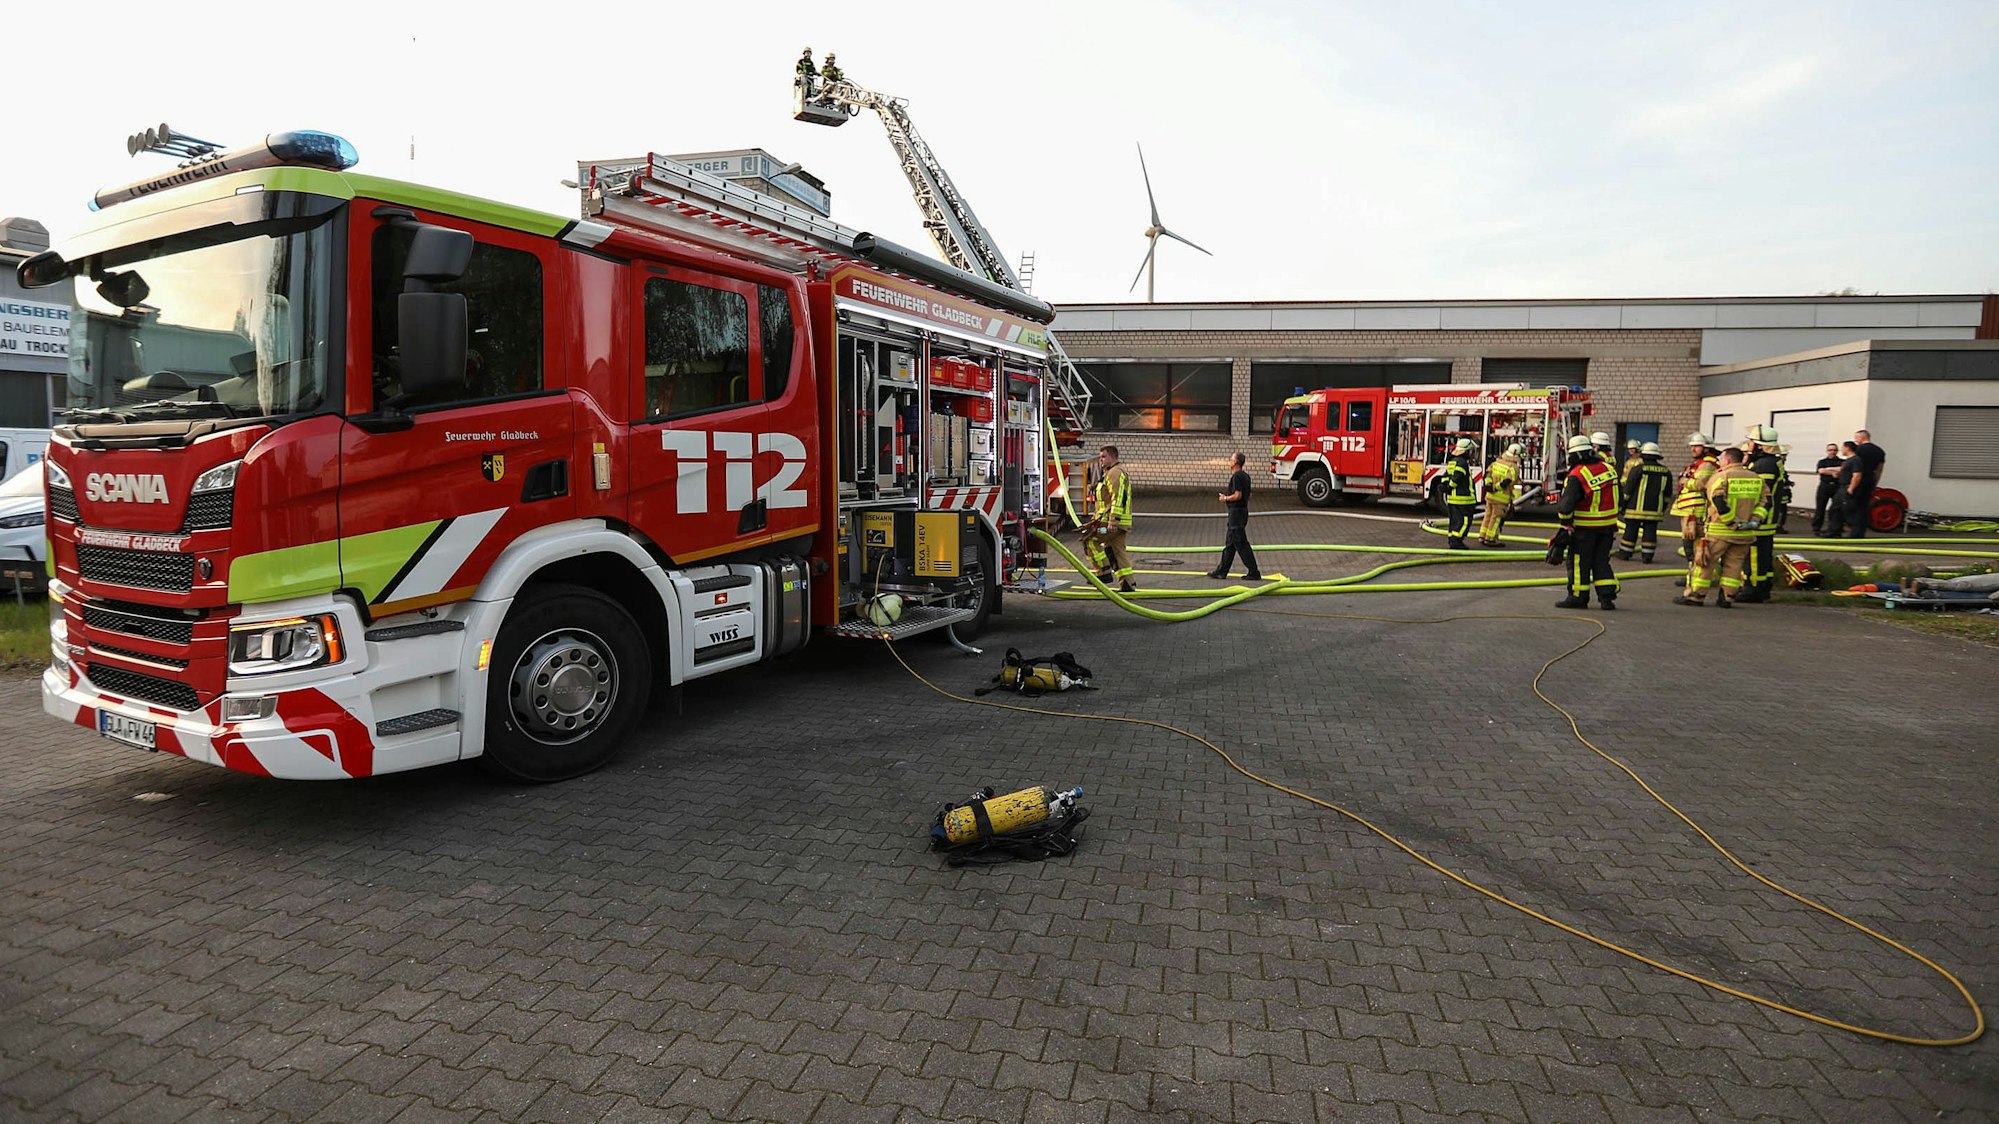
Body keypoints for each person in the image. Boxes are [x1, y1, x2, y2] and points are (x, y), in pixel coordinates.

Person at [1674, 446, 1764, 608]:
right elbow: (1765, 502)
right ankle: (1727, 597)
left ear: (1728, 460)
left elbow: (1717, 500)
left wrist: (1730, 521)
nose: (1719, 462)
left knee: (1705, 563)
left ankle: (1696, 595)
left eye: (1721, 459)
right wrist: (1754, 520)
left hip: (1720, 531)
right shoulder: (1756, 478)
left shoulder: (1721, 477)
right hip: (1745, 532)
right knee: (1734, 566)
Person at [1554, 434, 1620, 610]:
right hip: (1608, 527)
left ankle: (1577, 597)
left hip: (1585, 528)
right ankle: (1607, 597)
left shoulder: (1577, 475)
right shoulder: (1608, 468)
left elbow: (1566, 506)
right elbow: (1619, 496)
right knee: (1601, 560)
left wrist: (1565, 525)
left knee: (1578, 562)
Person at [1735, 426, 1785, 602]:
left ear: (1760, 446)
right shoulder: (1770, 462)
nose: (1748, 445)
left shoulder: (1764, 465)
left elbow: (1759, 493)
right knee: (1763, 555)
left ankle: (1752, 590)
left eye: (1751, 442)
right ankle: (1763, 588)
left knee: (1754, 555)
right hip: (1766, 518)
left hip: (1760, 518)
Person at [1669, 432, 1719, 577]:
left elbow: (1700, 484)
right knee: (1689, 546)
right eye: (1692, 446)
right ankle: (1692, 575)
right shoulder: (1700, 464)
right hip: (1690, 511)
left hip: (1696, 513)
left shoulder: (1707, 465)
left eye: (1697, 446)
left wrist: (1684, 481)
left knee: (1694, 546)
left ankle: (1696, 576)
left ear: (1706, 448)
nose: (1693, 449)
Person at [1089, 444, 1137, 593]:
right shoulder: (1111, 472)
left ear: (1112, 457)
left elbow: (1118, 498)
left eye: (1103, 456)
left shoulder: (1114, 473)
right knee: (1116, 551)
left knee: (1089, 538)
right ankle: (1127, 584)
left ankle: (1103, 572)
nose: (1100, 460)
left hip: (1111, 524)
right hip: (1117, 523)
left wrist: (1112, 521)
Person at [1208, 452, 1262, 581]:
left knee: (1240, 543)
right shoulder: (1246, 476)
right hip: (1242, 512)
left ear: (1236, 463)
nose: (1229, 461)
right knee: (1230, 544)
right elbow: (1249, 495)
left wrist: (1225, 498)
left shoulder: (1237, 477)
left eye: (1231, 459)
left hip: (1236, 513)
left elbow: (1238, 495)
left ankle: (1254, 571)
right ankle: (1222, 571)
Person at [1616, 442, 1674, 562]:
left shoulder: (1638, 470)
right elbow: (1668, 494)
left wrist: (1622, 506)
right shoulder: (1666, 472)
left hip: (1634, 509)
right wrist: (1662, 509)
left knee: (1630, 531)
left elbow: (1628, 490)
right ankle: (1647, 556)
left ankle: (1625, 553)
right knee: (1650, 533)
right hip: (1654, 511)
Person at [1846, 428, 1887, 538]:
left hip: (1858, 479)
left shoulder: (1859, 450)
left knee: (1852, 505)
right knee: (1863, 507)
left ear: (1862, 437)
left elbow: (1853, 466)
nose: (1855, 441)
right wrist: (1875, 483)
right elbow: (1879, 470)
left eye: (1856, 438)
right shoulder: (1880, 451)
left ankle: (1853, 531)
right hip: (1870, 480)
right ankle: (1860, 533)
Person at [1479, 442, 1522, 546]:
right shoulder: (1513, 467)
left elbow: (1488, 474)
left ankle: (1482, 536)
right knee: (1496, 518)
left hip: (1490, 496)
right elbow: (1508, 481)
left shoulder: (1497, 462)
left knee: (1488, 516)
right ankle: (1490, 539)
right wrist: (1495, 488)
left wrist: (1489, 485)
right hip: (1501, 498)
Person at [1822, 441, 1865, 538]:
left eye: (1843, 447)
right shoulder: (1847, 461)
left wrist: (1851, 488)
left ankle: (1856, 534)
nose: (1841, 450)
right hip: (1841, 487)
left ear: (1848, 448)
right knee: (1835, 509)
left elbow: (1857, 475)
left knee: (1850, 511)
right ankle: (1834, 531)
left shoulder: (1856, 460)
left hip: (1848, 487)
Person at [1441, 438, 1477, 549]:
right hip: (1464, 499)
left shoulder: (1453, 461)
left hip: (1452, 499)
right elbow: (1457, 477)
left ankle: (1453, 539)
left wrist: (1445, 486)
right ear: (1466, 451)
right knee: (1465, 521)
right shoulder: (1462, 463)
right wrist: (1450, 486)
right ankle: (1457, 541)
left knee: (1454, 521)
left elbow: (1446, 476)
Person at [1811, 442, 1842, 535]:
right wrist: (1833, 472)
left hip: (1837, 487)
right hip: (1825, 486)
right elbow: (1821, 470)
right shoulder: (1822, 462)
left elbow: (1843, 469)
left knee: (1836, 509)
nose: (1832, 452)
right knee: (1820, 508)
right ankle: (1816, 527)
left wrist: (1828, 469)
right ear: (1827, 451)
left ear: (1837, 451)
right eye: (1830, 450)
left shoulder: (1842, 461)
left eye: (1834, 450)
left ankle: (1834, 528)